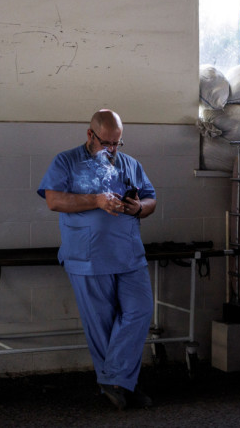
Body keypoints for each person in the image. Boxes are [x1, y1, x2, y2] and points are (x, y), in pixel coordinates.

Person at [37, 109, 157, 410]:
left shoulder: (129, 164)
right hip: (88, 257)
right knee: (101, 324)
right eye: (107, 143)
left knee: (140, 311)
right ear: (90, 135)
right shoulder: (66, 161)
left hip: (129, 255)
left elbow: (151, 199)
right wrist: (95, 200)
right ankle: (123, 385)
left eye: (118, 143)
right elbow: (54, 201)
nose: (113, 150)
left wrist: (138, 207)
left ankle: (114, 380)